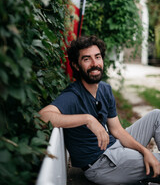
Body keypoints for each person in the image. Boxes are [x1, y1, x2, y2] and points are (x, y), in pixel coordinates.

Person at [39, 35, 160, 185]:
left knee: (157, 116)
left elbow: (117, 130)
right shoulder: (73, 95)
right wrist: (87, 119)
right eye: (86, 59)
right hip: (100, 165)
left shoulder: (104, 89)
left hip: (114, 146)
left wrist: (144, 151)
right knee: (158, 162)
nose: (94, 63)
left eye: (97, 57)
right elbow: (42, 116)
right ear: (76, 66)